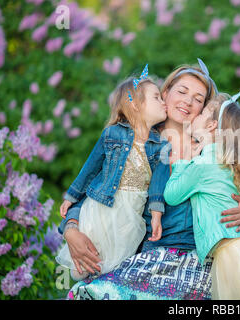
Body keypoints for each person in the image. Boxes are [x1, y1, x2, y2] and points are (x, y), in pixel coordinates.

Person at [59, 59, 240, 300]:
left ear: (204, 110)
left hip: (200, 256)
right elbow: (94, 186)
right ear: (164, 94)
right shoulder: (135, 142)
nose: (188, 102)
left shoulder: (211, 147)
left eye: (199, 99)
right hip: (150, 253)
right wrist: (70, 229)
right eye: (182, 91)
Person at [163, 92, 240, 299]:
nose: (196, 116)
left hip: (230, 253)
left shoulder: (201, 165)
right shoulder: (230, 162)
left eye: (201, 114)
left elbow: (171, 195)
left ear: (211, 126)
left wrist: (182, 160)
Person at [56, 65, 167, 280]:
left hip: (132, 213)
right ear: (134, 104)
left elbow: (158, 184)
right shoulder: (112, 134)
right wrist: (71, 196)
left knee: (116, 262)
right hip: (101, 206)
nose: (163, 102)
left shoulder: (161, 144)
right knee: (92, 256)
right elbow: (90, 167)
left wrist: (156, 212)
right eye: (157, 97)